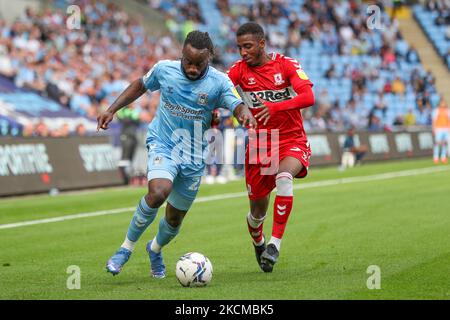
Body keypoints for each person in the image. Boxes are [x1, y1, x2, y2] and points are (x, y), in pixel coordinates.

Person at [97, 31, 256, 278]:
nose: (192, 69)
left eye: (198, 64)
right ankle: (125, 249)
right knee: (158, 192)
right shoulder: (164, 70)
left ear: (210, 58)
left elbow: (237, 104)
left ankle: (155, 249)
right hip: (163, 143)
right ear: (181, 54)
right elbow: (140, 85)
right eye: (188, 62)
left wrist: (243, 113)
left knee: (174, 219)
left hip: (193, 156)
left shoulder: (219, 82)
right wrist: (111, 109)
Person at [227, 22, 315, 273]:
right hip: (261, 144)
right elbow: (219, 89)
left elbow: (308, 97)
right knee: (256, 213)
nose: (243, 52)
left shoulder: (286, 65)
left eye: (248, 46)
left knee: (285, 176)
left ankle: (275, 244)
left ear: (262, 44)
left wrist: (275, 106)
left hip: (291, 138)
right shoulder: (238, 71)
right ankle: (259, 240)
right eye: (239, 47)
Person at [432, 99, 450, 164]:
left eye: (444, 103)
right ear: (439, 104)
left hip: (446, 129)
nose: (443, 104)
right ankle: (436, 157)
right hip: (438, 129)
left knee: (444, 144)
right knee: (437, 143)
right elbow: (434, 120)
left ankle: (443, 157)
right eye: (442, 103)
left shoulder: (447, 111)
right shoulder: (436, 111)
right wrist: (434, 129)